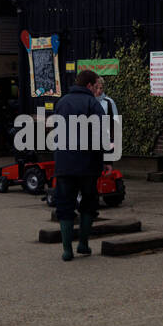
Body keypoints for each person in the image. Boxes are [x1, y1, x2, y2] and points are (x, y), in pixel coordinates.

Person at [52, 69, 105, 261]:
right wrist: (105, 161)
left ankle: (67, 250)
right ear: (89, 85)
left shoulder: (61, 102)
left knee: (64, 205)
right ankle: (83, 244)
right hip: (88, 164)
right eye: (95, 85)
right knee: (89, 203)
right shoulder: (94, 104)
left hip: (64, 163)